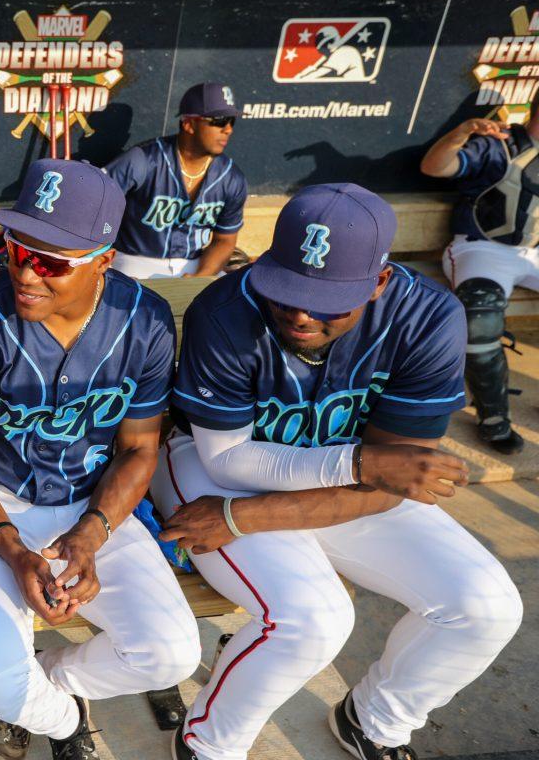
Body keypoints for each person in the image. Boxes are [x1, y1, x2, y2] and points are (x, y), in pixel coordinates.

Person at [150, 183, 523, 760]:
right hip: (217, 466)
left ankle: (373, 721)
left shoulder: (425, 317)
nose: (300, 313)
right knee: (313, 621)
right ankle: (209, 744)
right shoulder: (227, 310)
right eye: (287, 291)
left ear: (377, 282)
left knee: (485, 607)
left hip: (324, 487)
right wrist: (358, 462)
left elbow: (396, 479)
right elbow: (226, 457)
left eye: (326, 302)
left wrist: (248, 518)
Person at [0, 159, 200, 760]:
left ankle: (50, 682)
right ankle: (63, 721)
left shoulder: (143, 321)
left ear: (103, 260)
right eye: (17, 248)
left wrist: (93, 535)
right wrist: (15, 550)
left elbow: (141, 447)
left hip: (90, 502)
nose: (25, 271)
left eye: (52, 261)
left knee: (173, 652)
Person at [419, 94, 539, 454]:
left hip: (532, 251)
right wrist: (461, 134)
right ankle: (494, 419)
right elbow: (435, 167)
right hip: (482, 248)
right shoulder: (499, 146)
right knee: (480, 315)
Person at [105, 82, 247, 279]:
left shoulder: (231, 177)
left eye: (231, 121)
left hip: (196, 264)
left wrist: (201, 277)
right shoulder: (142, 161)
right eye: (219, 120)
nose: (228, 129)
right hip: (133, 261)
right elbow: (93, 208)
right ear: (189, 123)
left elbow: (224, 240)